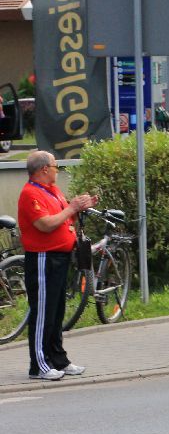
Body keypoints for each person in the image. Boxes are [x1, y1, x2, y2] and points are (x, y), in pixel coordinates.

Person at [18, 151, 98, 380]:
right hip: (44, 258)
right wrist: (71, 208)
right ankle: (39, 365)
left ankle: (59, 360)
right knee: (43, 312)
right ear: (43, 169)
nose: (57, 170)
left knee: (56, 311)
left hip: (59, 258)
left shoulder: (52, 191)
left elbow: (65, 217)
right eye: (54, 166)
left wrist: (81, 206)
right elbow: (44, 224)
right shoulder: (30, 194)